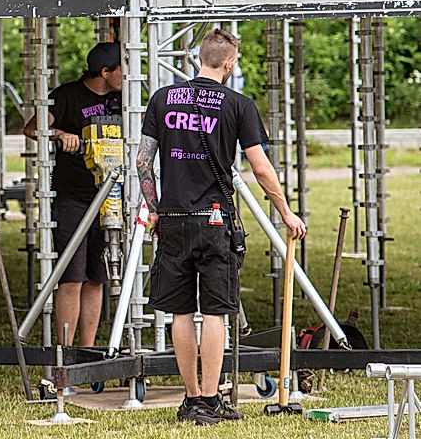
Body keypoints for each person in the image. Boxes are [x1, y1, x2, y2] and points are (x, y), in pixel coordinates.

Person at [137, 27, 306, 426]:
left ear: (199, 57)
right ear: (228, 63)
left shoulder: (163, 99)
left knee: (180, 312)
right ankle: (211, 400)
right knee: (214, 311)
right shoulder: (238, 105)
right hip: (215, 220)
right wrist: (285, 212)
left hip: (173, 218)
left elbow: (143, 161)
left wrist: (155, 208)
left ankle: (190, 398)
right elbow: (260, 168)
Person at [23, 41, 122, 347]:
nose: (130, 76)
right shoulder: (67, 96)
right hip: (73, 198)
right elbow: (31, 128)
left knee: (98, 278)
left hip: (111, 200)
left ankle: (87, 351)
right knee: (71, 278)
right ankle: (65, 356)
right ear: (105, 72)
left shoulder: (125, 99)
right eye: (123, 69)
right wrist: (60, 134)